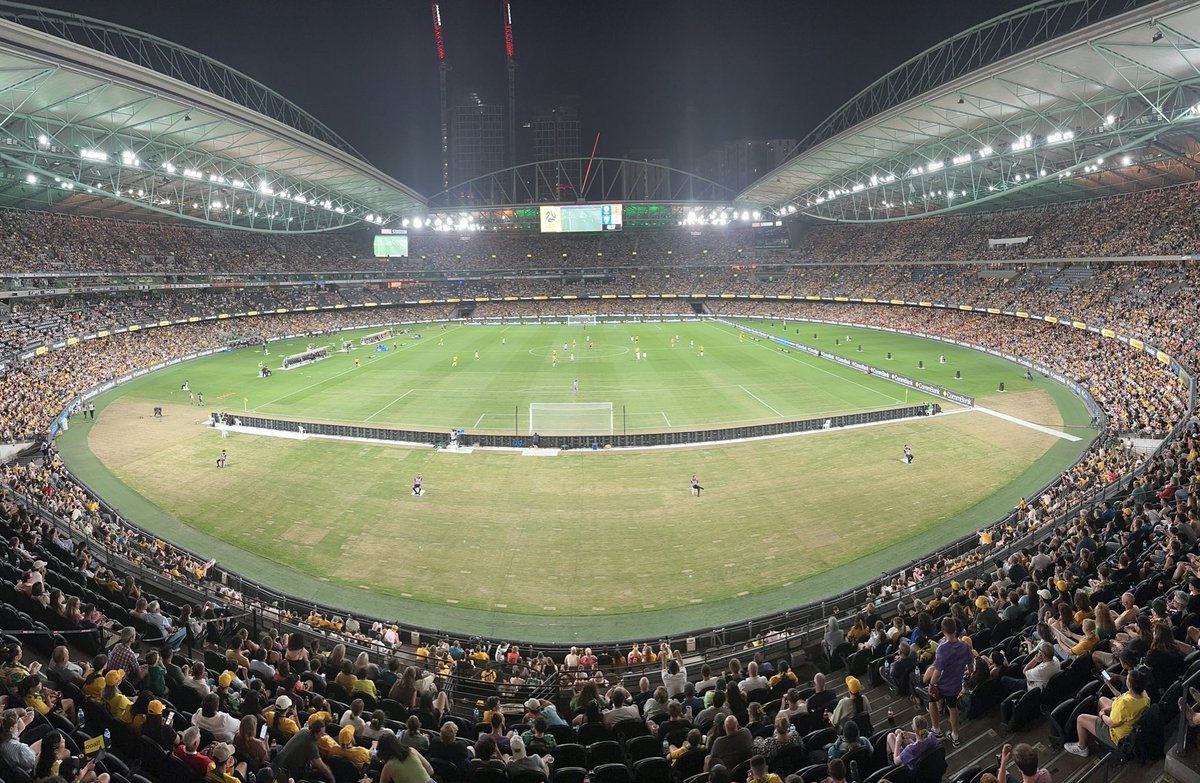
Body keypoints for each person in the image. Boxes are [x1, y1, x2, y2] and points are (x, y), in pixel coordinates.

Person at [1065, 668, 1151, 756]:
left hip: (1117, 737)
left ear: (1130, 685)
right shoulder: (1143, 695)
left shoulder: (1124, 704)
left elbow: (1111, 723)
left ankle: (1082, 747)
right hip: (1127, 723)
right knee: (1102, 700)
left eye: (1127, 678)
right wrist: (1109, 684)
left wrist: (1102, 715)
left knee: (1081, 719)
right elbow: (1121, 698)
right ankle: (1097, 731)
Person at [927, 617, 973, 747]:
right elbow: (971, 666)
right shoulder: (964, 646)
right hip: (955, 685)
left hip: (941, 685)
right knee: (952, 708)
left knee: (931, 701)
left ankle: (936, 729)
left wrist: (931, 684)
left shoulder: (942, 649)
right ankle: (955, 736)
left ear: (942, 631)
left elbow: (937, 672)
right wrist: (968, 675)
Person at [274, 718, 334, 783]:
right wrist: (332, 777)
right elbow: (320, 765)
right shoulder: (311, 744)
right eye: (321, 734)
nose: (322, 736)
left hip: (280, 764)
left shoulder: (303, 731)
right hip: (290, 773)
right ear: (316, 733)